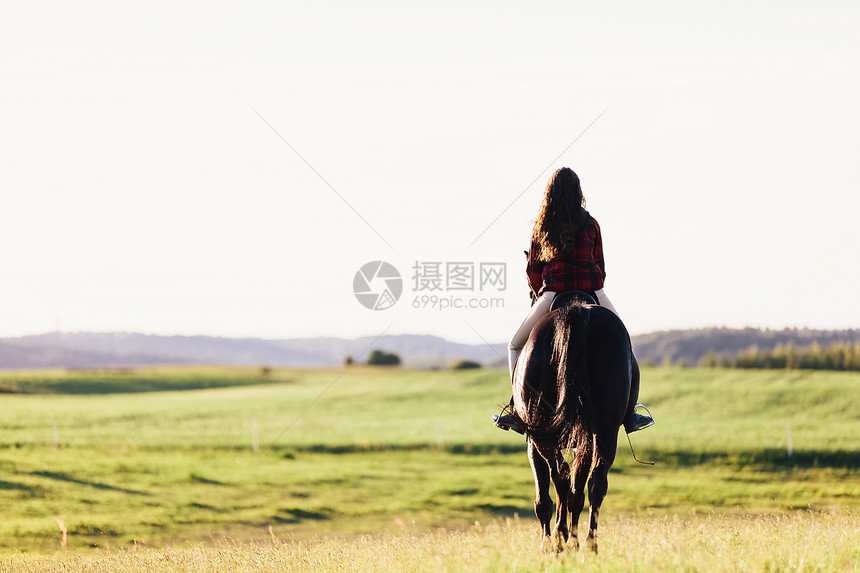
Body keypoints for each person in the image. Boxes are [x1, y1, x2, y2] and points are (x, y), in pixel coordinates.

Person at [492, 167, 654, 435]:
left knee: (514, 345)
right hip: (593, 290)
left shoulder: (541, 226)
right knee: (626, 342)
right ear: (579, 192)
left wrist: (539, 292)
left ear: (550, 194)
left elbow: (533, 270)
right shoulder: (591, 223)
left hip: (553, 293)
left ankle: (518, 411)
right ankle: (631, 413)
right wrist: (595, 288)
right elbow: (600, 266)